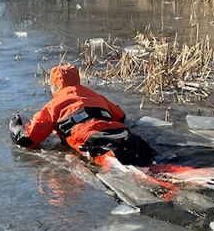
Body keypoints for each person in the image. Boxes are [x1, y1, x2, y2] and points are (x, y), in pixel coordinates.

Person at [9, 64, 155, 166]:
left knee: (115, 158)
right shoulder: (96, 96)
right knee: (147, 155)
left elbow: (28, 140)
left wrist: (15, 127)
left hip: (88, 137)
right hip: (120, 131)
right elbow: (121, 116)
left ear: (54, 85)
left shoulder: (52, 106)